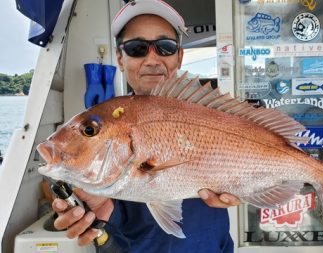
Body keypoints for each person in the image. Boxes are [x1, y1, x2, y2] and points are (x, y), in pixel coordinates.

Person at [51, 0, 240, 252]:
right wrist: (100, 209)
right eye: (137, 48)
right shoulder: (106, 122)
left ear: (179, 56)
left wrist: (245, 187)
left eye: (165, 47)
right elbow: (114, 210)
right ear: (120, 57)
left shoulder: (214, 113)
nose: (152, 59)